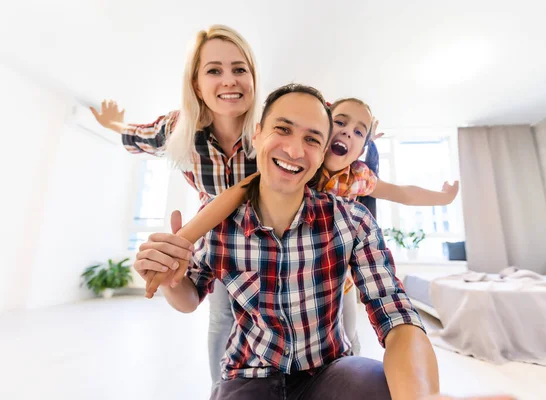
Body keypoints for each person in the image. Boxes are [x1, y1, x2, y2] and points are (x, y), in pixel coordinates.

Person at [135, 83, 439, 399]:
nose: (294, 151)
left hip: (330, 370)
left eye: (311, 139)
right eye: (283, 129)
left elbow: (395, 313)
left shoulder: (353, 220)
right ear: (257, 134)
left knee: (373, 383)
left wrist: (420, 395)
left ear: (322, 152)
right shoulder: (217, 222)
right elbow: (188, 299)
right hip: (248, 375)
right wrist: (174, 279)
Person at [90, 24, 260, 386]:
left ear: (253, 76)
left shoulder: (270, 128)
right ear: (197, 84)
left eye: (239, 69)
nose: (229, 80)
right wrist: (110, 122)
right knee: (223, 322)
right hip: (222, 250)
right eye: (214, 70)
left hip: (275, 245)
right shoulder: (178, 129)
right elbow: (135, 134)